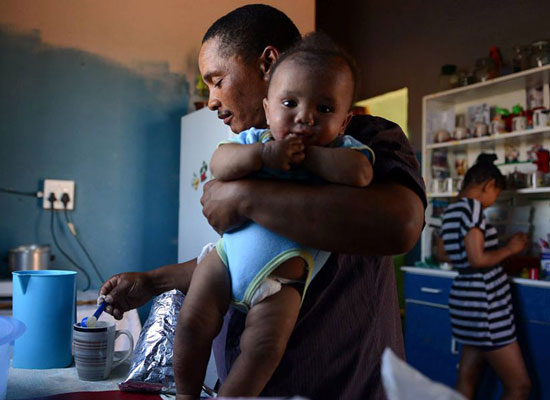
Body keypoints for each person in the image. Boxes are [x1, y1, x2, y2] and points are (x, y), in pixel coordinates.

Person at [100, 4, 426, 399]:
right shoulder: (250, 148)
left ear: (268, 63)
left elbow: (402, 224)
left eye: (217, 80)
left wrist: (243, 197)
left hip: (336, 387)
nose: (211, 100)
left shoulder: (363, 138)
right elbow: (245, 256)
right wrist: (152, 281)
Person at [174, 33, 374, 399]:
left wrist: (310, 157)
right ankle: (185, 395)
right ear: (268, 109)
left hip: (281, 279)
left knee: (263, 351)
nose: (305, 117)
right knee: (191, 322)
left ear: (345, 122)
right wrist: (263, 156)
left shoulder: (344, 150)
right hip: (226, 260)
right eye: (289, 102)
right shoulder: (256, 138)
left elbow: (361, 174)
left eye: (325, 109)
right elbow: (219, 163)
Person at [441, 153, 531, 400]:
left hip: (466, 303)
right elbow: (477, 259)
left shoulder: (451, 210)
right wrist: (511, 249)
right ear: (489, 185)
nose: (492, 202)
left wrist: (492, 248)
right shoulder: (472, 208)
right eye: (496, 194)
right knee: (520, 387)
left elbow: (444, 252)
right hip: (486, 307)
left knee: (467, 380)